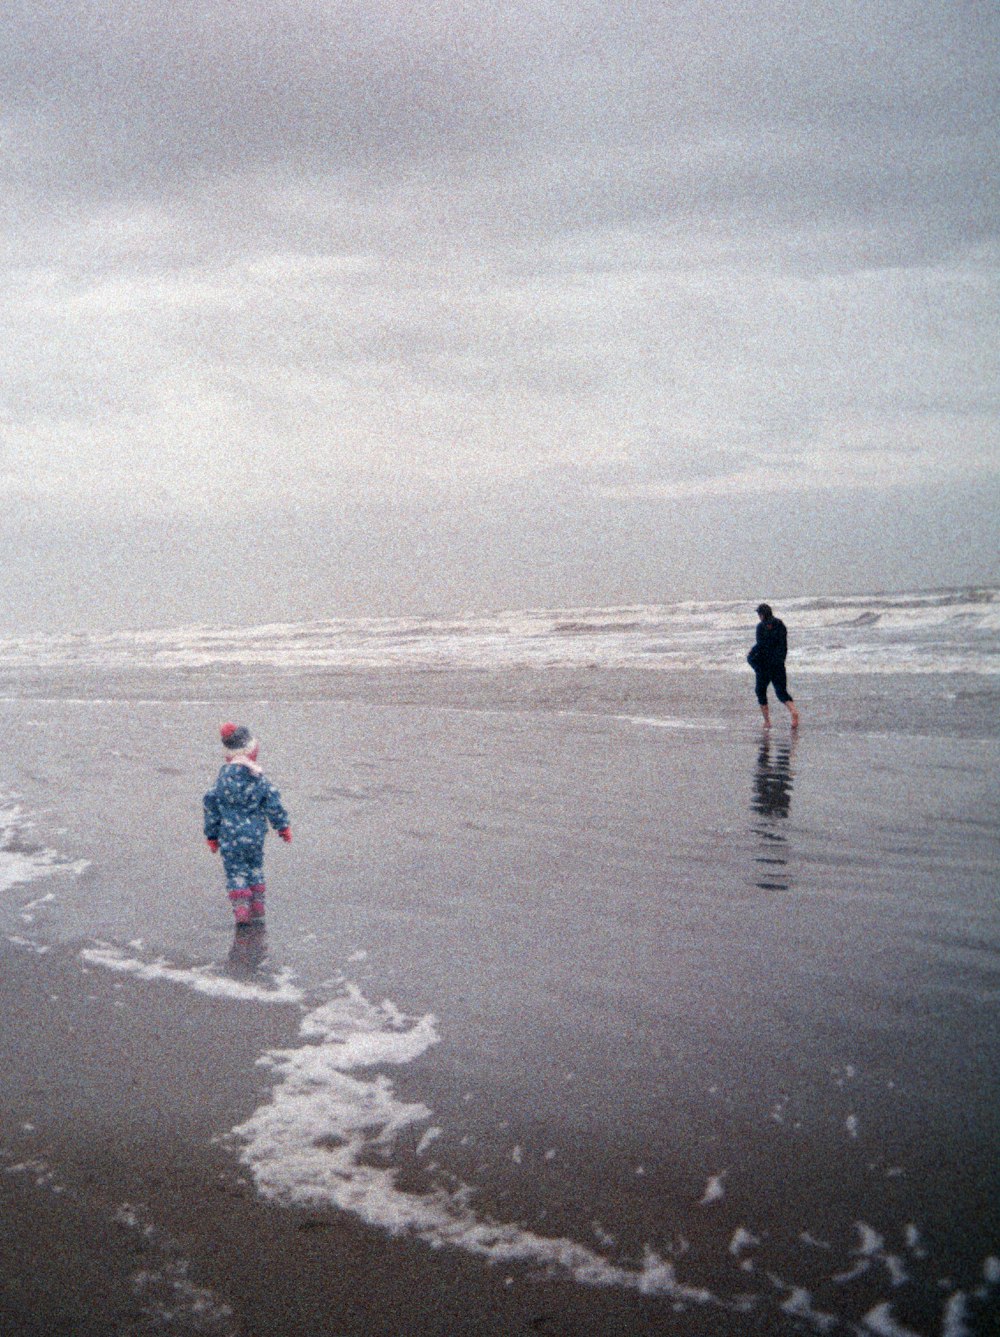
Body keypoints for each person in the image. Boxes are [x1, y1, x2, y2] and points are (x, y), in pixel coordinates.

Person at [203, 723, 291, 925]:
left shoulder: (222, 780)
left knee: (236, 871)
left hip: (230, 836)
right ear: (251, 752)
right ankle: (258, 906)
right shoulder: (258, 778)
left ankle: (242, 909)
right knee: (255, 867)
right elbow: (273, 801)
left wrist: (212, 835)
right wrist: (282, 827)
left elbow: (210, 804)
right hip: (255, 835)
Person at [750, 603, 799, 729]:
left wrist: (751, 655)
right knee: (781, 692)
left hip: (764, 666)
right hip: (778, 664)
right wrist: (780, 660)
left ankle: (767, 721)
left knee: (760, 691)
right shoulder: (780, 624)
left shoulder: (760, 627)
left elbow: (760, 645)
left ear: (761, 615)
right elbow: (783, 645)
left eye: (759, 614)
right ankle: (793, 712)